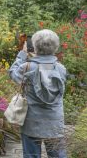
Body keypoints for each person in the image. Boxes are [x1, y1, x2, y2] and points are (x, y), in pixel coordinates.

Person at [9, 29, 67, 158]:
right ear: (55, 47)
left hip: (31, 122)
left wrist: (22, 54)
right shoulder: (61, 69)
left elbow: (12, 74)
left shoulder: (27, 67)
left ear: (34, 46)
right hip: (54, 122)